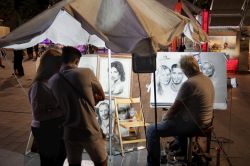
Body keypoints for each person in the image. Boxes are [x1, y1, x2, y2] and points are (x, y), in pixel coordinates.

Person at [146, 55, 215, 166]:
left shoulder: (190, 83)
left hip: (195, 125)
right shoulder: (206, 79)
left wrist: (165, 118)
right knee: (174, 121)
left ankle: (153, 164)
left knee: (152, 130)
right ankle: (183, 149)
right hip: (206, 122)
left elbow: (175, 107)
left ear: (185, 69)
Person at [48, 46, 107, 166]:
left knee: (74, 163)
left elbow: (55, 105)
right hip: (89, 128)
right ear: (76, 60)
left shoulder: (53, 80)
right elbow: (101, 95)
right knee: (101, 161)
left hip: (69, 132)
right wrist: (89, 102)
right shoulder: (86, 72)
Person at [28, 48, 66, 166]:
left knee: (60, 157)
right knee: (49, 162)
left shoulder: (53, 81)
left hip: (56, 128)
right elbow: (38, 115)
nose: (62, 68)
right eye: (59, 65)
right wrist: (61, 110)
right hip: (45, 130)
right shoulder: (38, 86)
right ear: (51, 66)